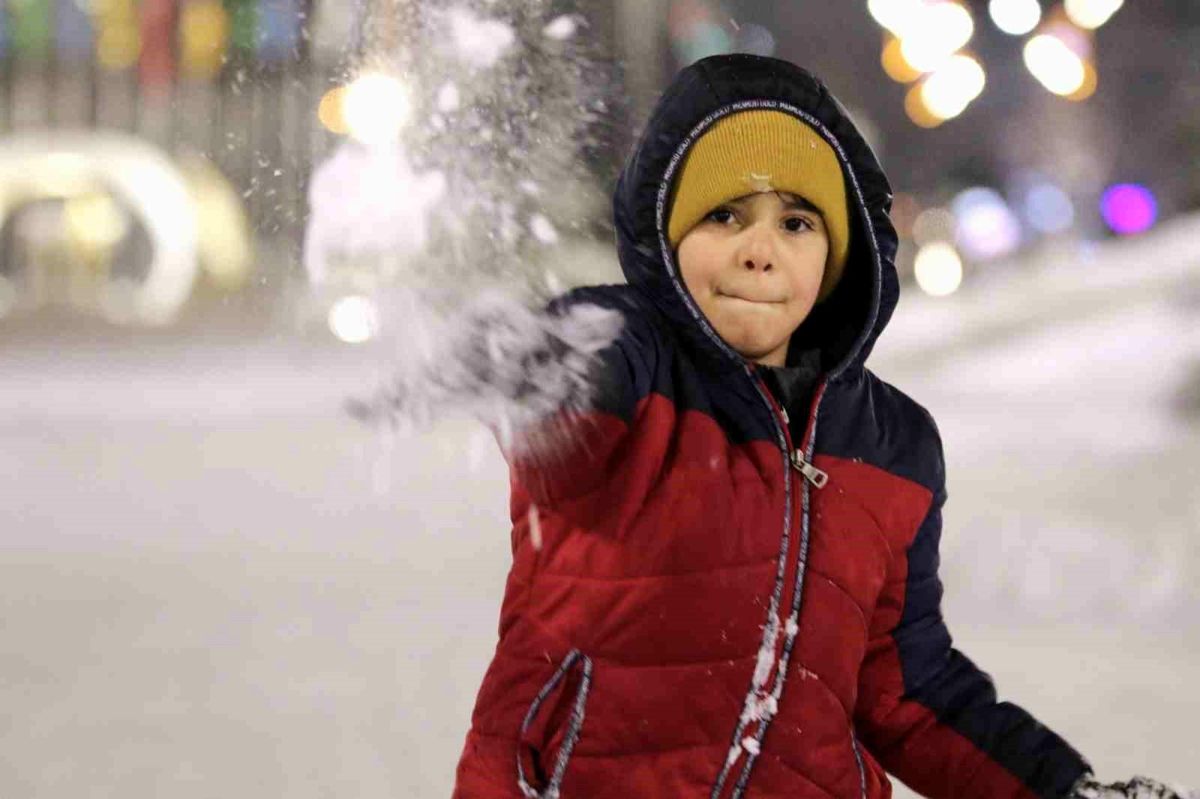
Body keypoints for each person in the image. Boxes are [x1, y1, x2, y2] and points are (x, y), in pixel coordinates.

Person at [447, 54, 1193, 799]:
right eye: (723, 214)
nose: (759, 249)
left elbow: (907, 690)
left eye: (796, 222)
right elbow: (569, 393)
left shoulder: (892, 446)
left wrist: (1060, 788)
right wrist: (537, 363)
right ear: (667, 238)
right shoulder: (635, 368)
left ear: (837, 256)